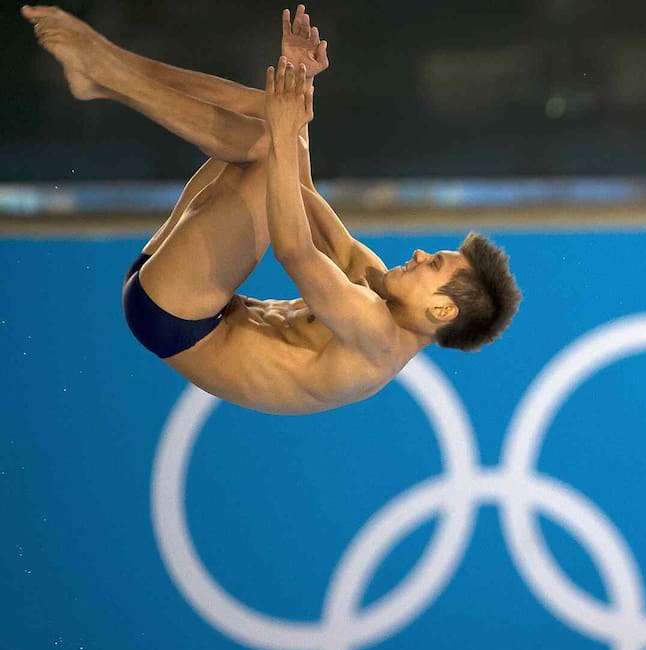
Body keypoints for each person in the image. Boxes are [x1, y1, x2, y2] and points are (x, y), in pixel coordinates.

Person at [21, 4, 522, 415]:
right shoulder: (375, 285)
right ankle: (110, 70)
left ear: (441, 310)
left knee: (272, 145)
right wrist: (298, 85)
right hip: (183, 293)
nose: (417, 253)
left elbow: (294, 251)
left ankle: (110, 73)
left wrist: (283, 135)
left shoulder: (377, 337)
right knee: (274, 128)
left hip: (175, 316)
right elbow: (300, 189)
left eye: (433, 264)